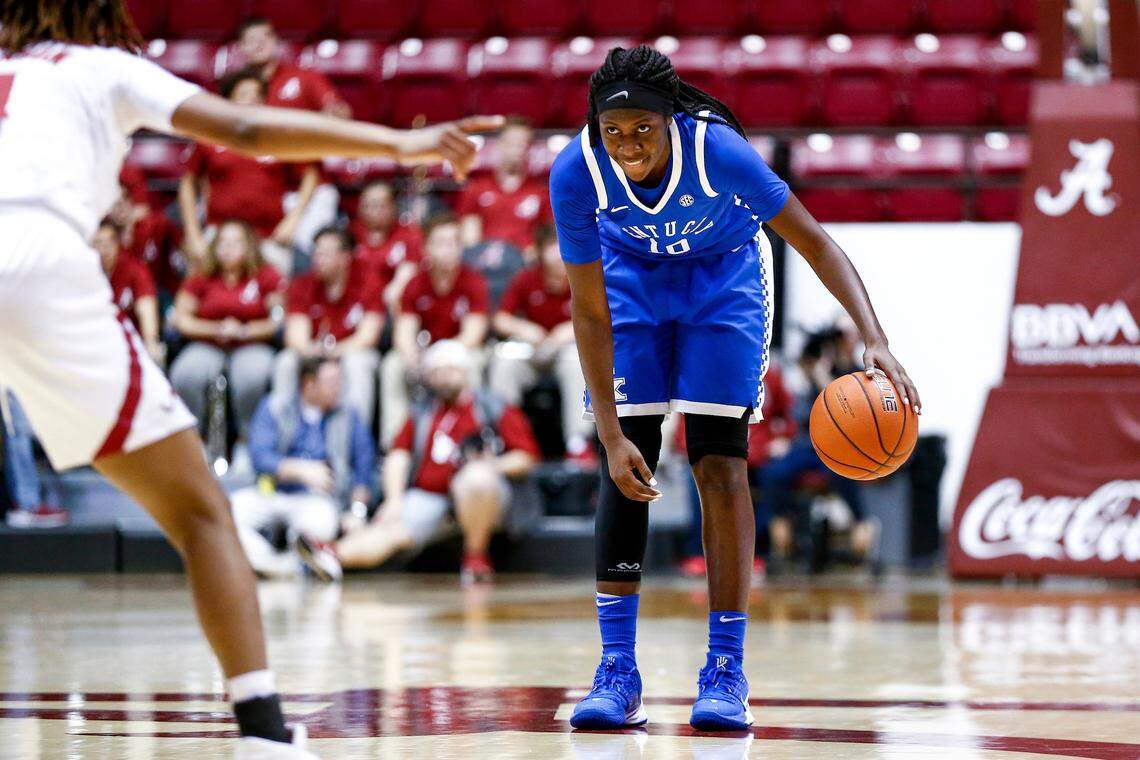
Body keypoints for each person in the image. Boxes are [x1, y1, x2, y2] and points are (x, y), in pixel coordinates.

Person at [0, 2, 500, 756]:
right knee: (203, 516)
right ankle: (264, 732)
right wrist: (401, 142)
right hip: (39, 257)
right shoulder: (95, 65)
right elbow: (248, 130)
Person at [548, 45, 922, 732]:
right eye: (613, 131)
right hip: (630, 283)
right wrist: (604, 433)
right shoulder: (576, 171)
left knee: (719, 459)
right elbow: (588, 309)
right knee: (624, 460)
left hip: (723, 280)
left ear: (671, 121)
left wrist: (873, 336)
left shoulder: (717, 151)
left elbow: (813, 241)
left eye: (642, 130)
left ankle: (725, 670)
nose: (627, 144)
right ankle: (617, 671)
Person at [308, 340, 539, 583]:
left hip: (483, 495)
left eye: (450, 369)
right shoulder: (422, 411)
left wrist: (488, 466)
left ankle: (476, 557)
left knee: (476, 479)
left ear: (465, 371)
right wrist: (394, 500)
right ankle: (331, 555)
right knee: (391, 529)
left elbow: (526, 458)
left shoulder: (492, 406)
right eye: (437, 372)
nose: (444, 377)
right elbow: (398, 454)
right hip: (432, 496)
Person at [235, 357, 374, 581]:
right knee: (230, 511)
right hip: (271, 492)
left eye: (340, 380)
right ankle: (275, 564)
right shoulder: (276, 406)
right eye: (331, 381)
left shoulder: (348, 414)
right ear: (309, 384)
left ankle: (297, 560)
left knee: (321, 524)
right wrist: (300, 470)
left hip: (317, 500)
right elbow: (260, 456)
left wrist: (357, 510)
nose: (339, 387)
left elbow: (364, 462)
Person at [178, 67, 320, 275]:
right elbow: (188, 183)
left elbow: (310, 175)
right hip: (219, 236)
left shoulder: (278, 138)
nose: (253, 101)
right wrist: (192, 232)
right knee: (201, 291)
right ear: (228, 102)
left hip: (268, 237)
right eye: (244, 95)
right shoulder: (209, 137)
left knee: (275, 296)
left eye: (257, 96)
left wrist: (294, 218)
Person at [169, 219, 285, 442]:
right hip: (207, 342)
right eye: (223, 242)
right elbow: (181, 319)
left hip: (252, 343)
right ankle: (193, 441)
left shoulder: (266, 275)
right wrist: (216, 329)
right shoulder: (202, 276)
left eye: (236, 242)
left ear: (249, 246)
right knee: (185, 374)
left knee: (251, 376)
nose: (228, 248)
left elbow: (277, 319)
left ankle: (249, 440)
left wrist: (243, 330)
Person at [380, 213, 490, 447]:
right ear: (427, 247)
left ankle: (473, 439)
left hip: (460, 350)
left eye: (454, 242)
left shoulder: (474, 281)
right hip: (425, 353)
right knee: (393, 365)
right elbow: (404, 331)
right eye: (441, 243)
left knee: (476, 362)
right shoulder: (414, 283)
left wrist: (443, 357)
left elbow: (473, 334)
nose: (448, 249)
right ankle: (394, 444)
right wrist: (413, 357)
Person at [489, 224, 594, 464]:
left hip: (570, 349)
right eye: (551, 247)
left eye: (563, 246)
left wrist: (571, 330)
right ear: (539, 252)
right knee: (504, 365)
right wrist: (524, 328)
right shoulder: (527, 278)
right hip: (535, 350)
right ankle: (507, 438)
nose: (558, 254)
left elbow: (603, 316)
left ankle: (577, 443)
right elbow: (500, 319)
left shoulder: (585, 274)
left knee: (577, 364)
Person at [275, 227, 383, 423]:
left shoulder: (368, 283)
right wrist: (313, 350)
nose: (318, 258)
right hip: (314, 352)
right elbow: (295, 336)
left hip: (350, 351)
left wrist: (336, 351)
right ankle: (282, 433)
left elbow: (369, 336)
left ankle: (355, 439)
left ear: (345, 257)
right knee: (286, 362)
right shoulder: (302, 284)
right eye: (316, 252)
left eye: (325, 253)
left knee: (358, 364)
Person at [458, 115, 551, 256]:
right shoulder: (476, 189)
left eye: (522, 143)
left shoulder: (541, 193)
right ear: (499, 144)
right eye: (511, 142)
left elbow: (546, 240)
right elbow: (469, 239)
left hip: (524, 266)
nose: (516, 149)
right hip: (484, 264)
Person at [93, 217, 164, 365]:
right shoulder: (85, 272)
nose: (104, 250)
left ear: (117, 243)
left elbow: (146, 307)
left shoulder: (134, 269)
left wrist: (151, 341)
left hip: (129, 343)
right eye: (98, 244)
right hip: (96, 341)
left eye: (108, 243)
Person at [351, 179, 424, 312]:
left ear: (393, 206)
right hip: (355, 303)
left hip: (391, 304)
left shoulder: (410, 234)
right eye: (368, 205)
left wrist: (394, 290)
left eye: (380, 205)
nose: (373, 211)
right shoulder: (351, 234)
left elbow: (412, 268)